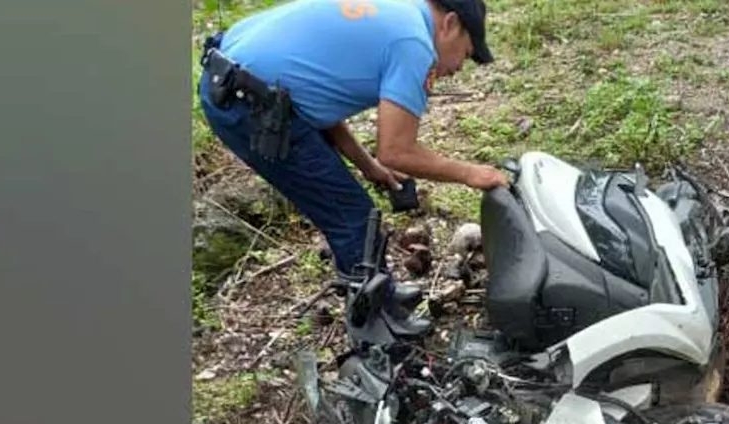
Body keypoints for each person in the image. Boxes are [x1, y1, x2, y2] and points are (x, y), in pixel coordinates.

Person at [197, 0, 508, 334]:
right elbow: (397, 151)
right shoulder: (414, 43)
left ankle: (380, 293)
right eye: (466, 52)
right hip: (247, 104)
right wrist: (474, 174)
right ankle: (376, 330)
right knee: (353, 218)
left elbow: (314, 93)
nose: (460, 66)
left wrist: (367, 165)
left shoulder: (394, 12)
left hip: (241, 80)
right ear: (449, 23)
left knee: (353, 213)